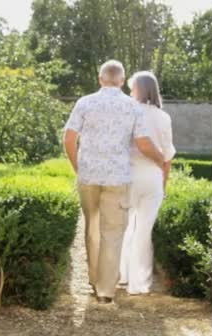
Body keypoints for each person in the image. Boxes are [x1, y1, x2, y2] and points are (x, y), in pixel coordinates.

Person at [63, 60, 165, 304]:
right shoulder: (132, 107)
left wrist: (79, 168)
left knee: (92, 230)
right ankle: (106, 292)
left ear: (100, 79)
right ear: (121, 81)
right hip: (118, 178)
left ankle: (92, 280)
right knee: (113, 233)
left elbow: (68, 139)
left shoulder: (85, 102)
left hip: (89, 177)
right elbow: (142, 143)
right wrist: (162, 159)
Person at [119, 71, 176, 295]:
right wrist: (164, 184)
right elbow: (167, 156)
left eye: (132, 88)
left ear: (138, 90)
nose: (130, 92)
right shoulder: (163, 117)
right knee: (144, 230)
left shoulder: (127, 112)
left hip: (128, 175)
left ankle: (122, 275)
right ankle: (139, 283)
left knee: (125, 227)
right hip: (152, 177)